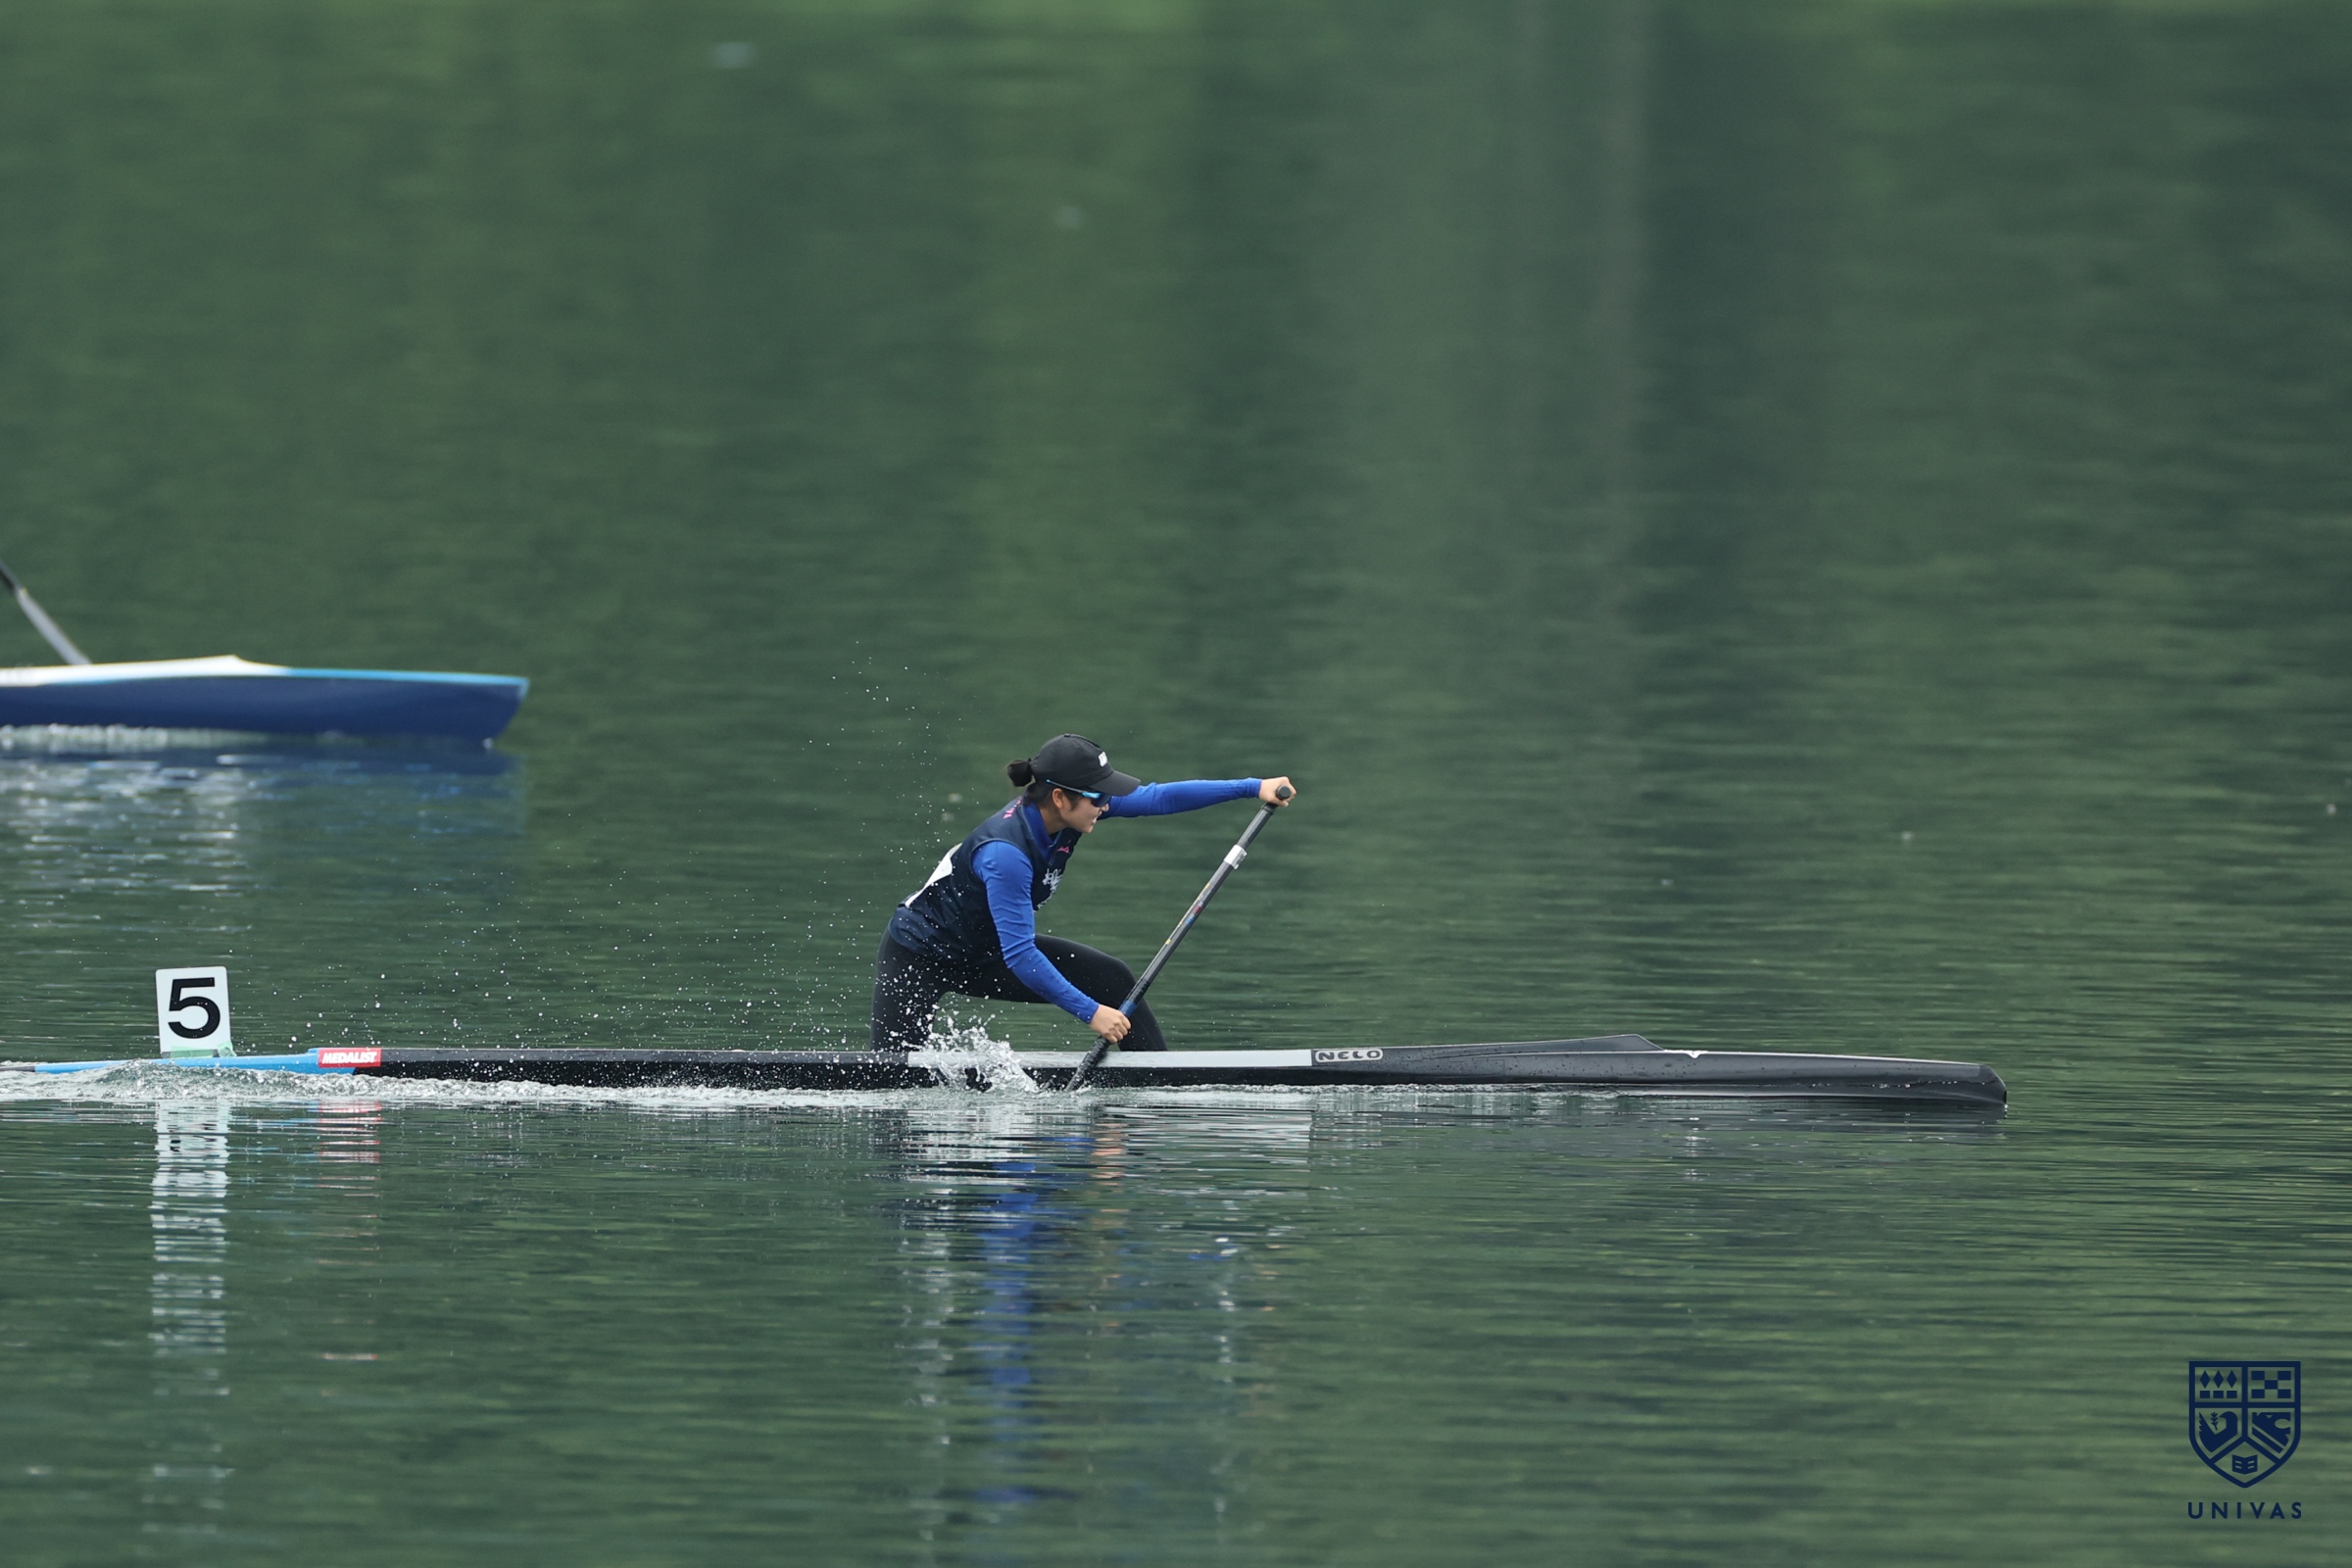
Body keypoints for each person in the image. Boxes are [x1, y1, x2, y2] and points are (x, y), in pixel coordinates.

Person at [874, 733, 1295, 1054]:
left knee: (1111, 978)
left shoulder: (1076, 809)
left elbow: (1159, 798)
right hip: (918, 957)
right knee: (892, 1078)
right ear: (1059, 798)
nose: (1105, 804)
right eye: (1098, 795)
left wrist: (1252, 786)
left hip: (988, 950)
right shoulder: (1005, 855)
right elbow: (1021, 955)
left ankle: (1157, 1080)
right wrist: (1092, 1014)